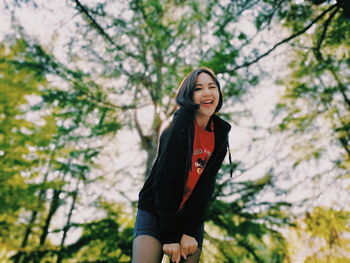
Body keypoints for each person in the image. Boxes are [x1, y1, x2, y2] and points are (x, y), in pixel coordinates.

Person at [132, 68, 232, 263]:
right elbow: (164, 181)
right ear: (189, 95)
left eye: (212, 87)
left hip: (189, 214)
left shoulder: (220, 132)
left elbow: (205, 185)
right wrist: (170, 238)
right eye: (198, 88)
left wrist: (188, 231)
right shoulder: (177, 126)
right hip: (155, 207)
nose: (207, 93)